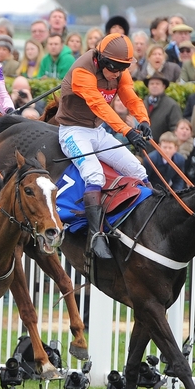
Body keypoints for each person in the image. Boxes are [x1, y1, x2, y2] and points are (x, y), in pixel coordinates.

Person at [53, 33, 152, 259]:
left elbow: (129, 96)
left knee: (138, 170)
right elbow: (99, 105)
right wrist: (126, 130)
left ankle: (146, 221)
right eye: (115, 69)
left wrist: (143, 120)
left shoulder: (118, 70)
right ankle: (95, 235)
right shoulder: (82, 71)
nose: (117, 74)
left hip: (97, 132)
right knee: (94, 175)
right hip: (73, 131)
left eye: (121, 69)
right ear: (102, 61)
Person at [143, 72, 182, 147]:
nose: (154, 86)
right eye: (152, 84)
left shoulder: (171, 105)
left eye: (157, 84)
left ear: (163, 86)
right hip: (143, 149)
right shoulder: (142, 103)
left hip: (162, 151)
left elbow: (175, 129)